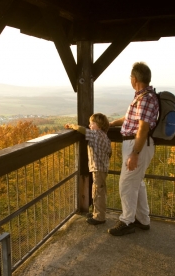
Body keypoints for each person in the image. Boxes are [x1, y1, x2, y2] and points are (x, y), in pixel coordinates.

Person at [107, 62, 159, 236]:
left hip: (138, 145)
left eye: (130, 77)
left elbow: (143, 128)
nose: (130, 80)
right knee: (137, 182)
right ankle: (143, 220)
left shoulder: (145, 98)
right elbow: (132, 119)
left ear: (134, 79)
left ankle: (127, 221)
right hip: (136, 144)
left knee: (127, 183)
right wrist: (113, 123)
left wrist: (135, 154)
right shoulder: (143, 96)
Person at [65, 113, 112, 225]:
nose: (89, 125)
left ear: (99, 125)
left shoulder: (95, 135)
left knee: (98, 192)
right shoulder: (105, 136)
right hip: (103, 168)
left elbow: (82, 129)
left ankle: (99, 217)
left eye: (92, 123)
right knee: (99, 191)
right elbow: (110, 153)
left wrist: (72, 125)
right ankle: (97, 212)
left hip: (97, 168)